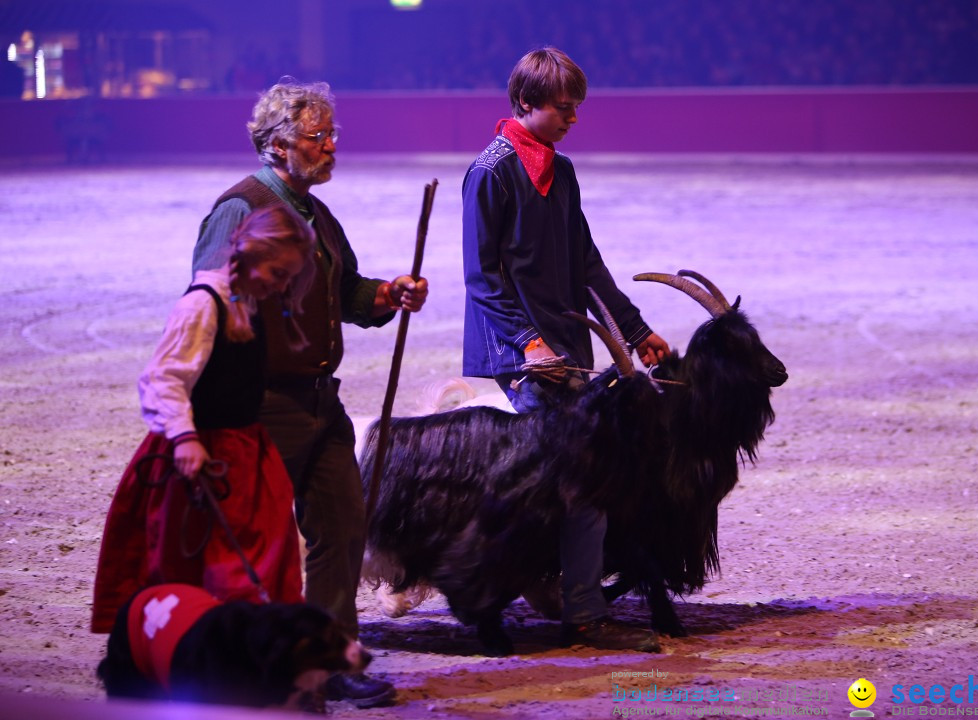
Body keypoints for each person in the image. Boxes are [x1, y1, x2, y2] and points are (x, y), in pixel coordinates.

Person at [191, 78, 427, 708]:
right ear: (276, 146)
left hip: (321, 400)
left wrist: (387, 295)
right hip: (262, 405)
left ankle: (331, 659)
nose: (330, 147)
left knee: (344, 527)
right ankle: (247, 666)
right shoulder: (239, 209)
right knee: (256, 545)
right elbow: (207, 301)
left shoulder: (317, 215)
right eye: (316, 137)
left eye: (333, 135)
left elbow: (346, 290)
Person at [461, 46, 670, 652]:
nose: (572, 117)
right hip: (522, 357)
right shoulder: (490, 172)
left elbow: (587, 260)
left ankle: (558, 596)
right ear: (526, 102)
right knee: (581, 481)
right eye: (563, 107)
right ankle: (577, 612)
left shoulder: (563, 169)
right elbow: (481, 278)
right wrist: (527, 343)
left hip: (569, 350)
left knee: (575, 482)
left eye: (576, 107)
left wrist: (634, 330)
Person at [92, 204, 316, 634]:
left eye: (288, 276)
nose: (281, 285)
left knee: (261, 560)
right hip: (205, 457)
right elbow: (164, 377)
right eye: (277, 272)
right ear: (249, 253)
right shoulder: (203, 305)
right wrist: (184, 437)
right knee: (207, 567)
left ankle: (250, 658)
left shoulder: (248, 301)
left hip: (246, 457)